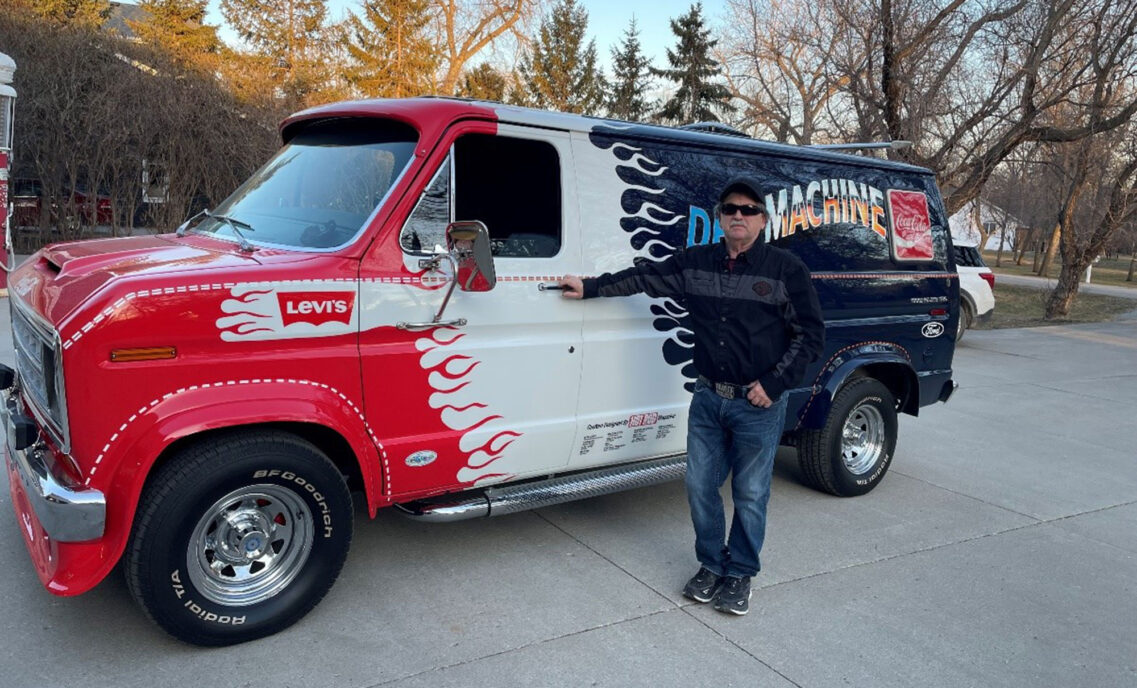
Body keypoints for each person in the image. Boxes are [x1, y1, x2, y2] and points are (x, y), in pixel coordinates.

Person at [558, 176, 824, 615]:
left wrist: (774, 385)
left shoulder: (784, 270)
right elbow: (644, 277)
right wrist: (592, 287)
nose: (738, 215)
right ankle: (711, 565)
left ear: (762, 219)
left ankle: (740, 573)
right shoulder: (696, 262)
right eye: (730, 209)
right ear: (720, 218)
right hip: (707, 399)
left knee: (751, 493)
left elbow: (811, 336)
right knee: (700, 485)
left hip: (757, 405)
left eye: (748, 209)